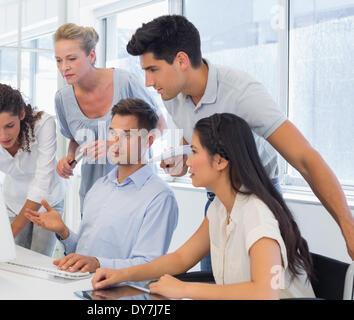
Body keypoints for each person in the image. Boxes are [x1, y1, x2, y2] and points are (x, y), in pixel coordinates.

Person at [125, 14, 354, 260]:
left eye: (153, 70)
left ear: (181, 60)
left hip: (257, 193)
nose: (148, 82)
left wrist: (347, 227)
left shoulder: (242, 93)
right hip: (217, 196)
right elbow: (192, 137)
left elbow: (305, 159)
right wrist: (183, 159)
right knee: (217, 278)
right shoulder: (171, 94)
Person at [92, 113, 316, 300]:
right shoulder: (220, 207)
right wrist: (120, 275)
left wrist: (184, 289)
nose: (187, 161)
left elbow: (265, 293)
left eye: (195, 152)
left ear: (220, 161)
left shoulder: (257, 213)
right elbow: (180, 259)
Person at [25, 98, 178, 273]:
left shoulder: (159, 197)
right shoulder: (100, 186)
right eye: (113, 133)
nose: (115, 143)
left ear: (149, 141)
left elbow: (149, 266)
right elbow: (84, 254)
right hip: (81, 284)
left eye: (127, 135)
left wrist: (97, 264)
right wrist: (63, 231)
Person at [53, 23, 166, 214]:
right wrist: (71, 158)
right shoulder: (62, 99)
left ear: (92, 56)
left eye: (71, 59)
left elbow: (160, 127)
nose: (64, 67)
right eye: (58, 60)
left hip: (136, 191)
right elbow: (75, 137)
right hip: (93, 194)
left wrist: (115, 145)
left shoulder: (125, 82)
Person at [0, 83, 66, 256]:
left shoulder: (43, 124)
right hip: (13, 201)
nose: (3, 136)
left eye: (10, 125)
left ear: (21, 114)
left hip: (47, 200)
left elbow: (42, 182)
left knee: (39, 260)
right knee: (15, 258)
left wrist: (9, 233)